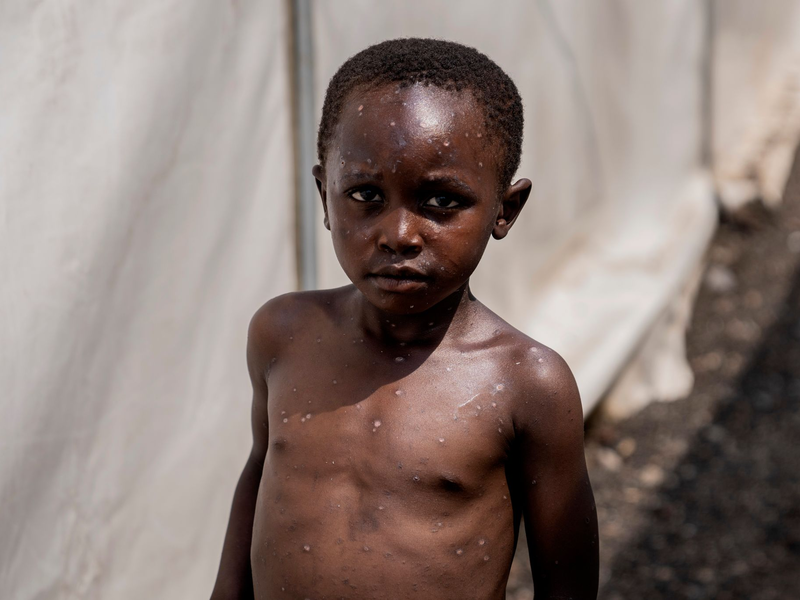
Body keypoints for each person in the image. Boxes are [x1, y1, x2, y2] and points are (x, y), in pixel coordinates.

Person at [211, 38, 598, 600]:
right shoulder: (284, 334)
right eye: (365, 194)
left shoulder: (524, 384)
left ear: (504, 210)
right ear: (325, 195)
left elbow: (567, 584)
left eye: (441, 202)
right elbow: (261, 468)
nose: (399, 235)